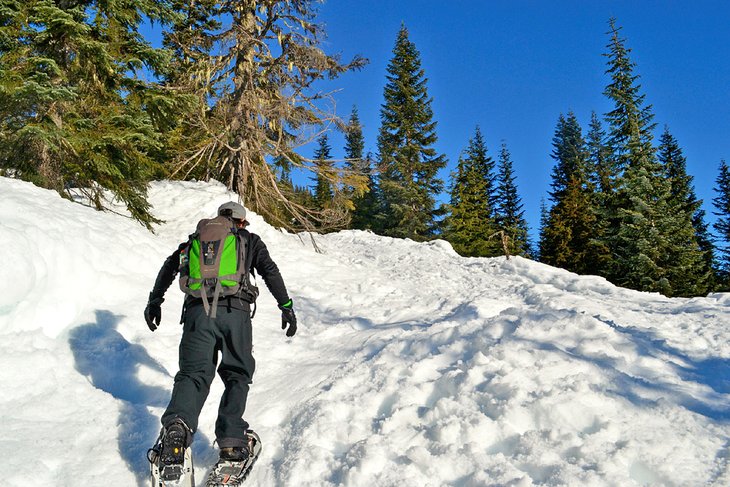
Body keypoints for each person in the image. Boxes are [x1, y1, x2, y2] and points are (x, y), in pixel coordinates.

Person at [144, 201, 297, 469]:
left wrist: (154, 301)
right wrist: (286, 306)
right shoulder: (248, 240)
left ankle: (177, 428)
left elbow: (169, 267)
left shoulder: (194, 242)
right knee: (237, 373)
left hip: (196, 315)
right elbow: (270, 271)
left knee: (193, 374)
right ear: (240, 222)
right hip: (234, 314)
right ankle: (231, 442)